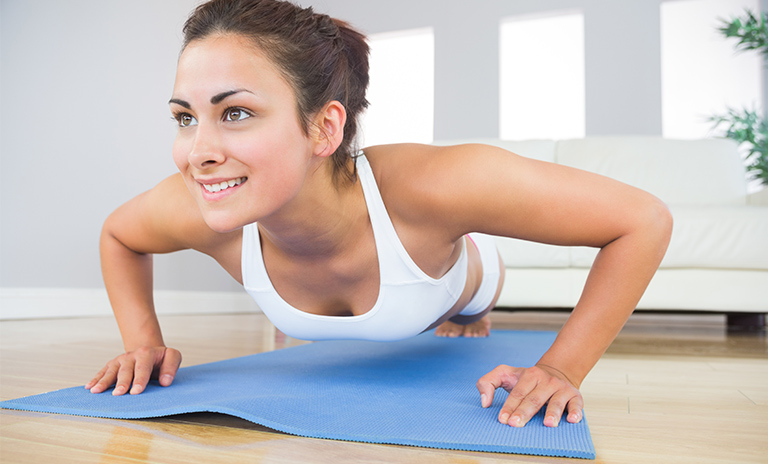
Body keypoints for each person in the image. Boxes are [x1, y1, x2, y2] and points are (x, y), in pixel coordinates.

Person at [85, 0, 673, 430]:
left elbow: (641, 219)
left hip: (452, 275)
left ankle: (475, 304)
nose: (199, 153)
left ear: (324, 127)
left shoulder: (435, 187)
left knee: (472, 302)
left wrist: (563, 368)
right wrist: (143, 341)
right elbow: (119, 234)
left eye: (235, 113)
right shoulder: (194, 205)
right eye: (184, 118)